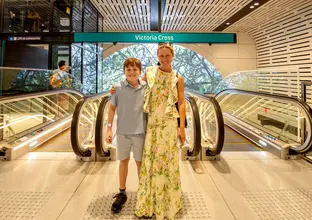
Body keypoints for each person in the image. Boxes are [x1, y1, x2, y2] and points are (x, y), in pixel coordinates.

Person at [136, 44, 186, 219]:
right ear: (157, 56)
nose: (164, 59)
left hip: (169, 124)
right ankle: (150, 203)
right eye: (161, 55)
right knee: (151, 161)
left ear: (172, 56)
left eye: (167, 55)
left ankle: (166, 202)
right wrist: (116, 89)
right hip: (152, 123)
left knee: (166, 162)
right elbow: (137, 88)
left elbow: (181, 103)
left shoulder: (177, 78)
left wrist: (181, 128)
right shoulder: (149, 72)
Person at [106, 58, 147, 214]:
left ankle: (143, 193)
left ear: (140, 71)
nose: (132, 72)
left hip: (140, 133)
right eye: (129, 69)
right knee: (123, 162)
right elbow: (111, 109)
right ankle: (122, 193)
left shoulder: (146, 87)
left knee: (140, 164)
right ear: (124, 71)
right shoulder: (117, 88)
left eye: (135, 69)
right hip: (123, 132)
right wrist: (109, 129)